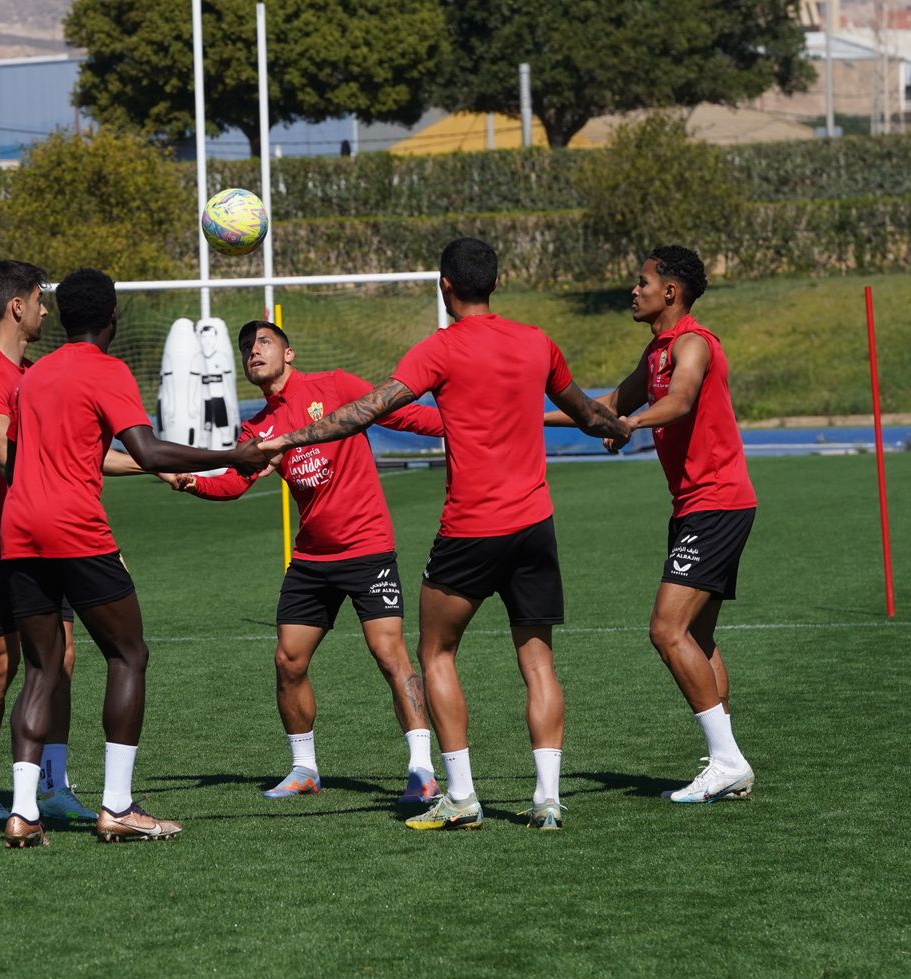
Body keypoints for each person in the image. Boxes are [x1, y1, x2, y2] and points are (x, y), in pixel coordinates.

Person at [258, 237, 630, 832]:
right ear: (497, 283)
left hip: (471, 530)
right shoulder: (538, 342)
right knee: (538, 662)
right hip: (535, 527)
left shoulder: (439, 349)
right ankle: (548, 801)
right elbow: (587, 414)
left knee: (436, 652)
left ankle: (461, 795)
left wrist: (291, 438)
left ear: (444, 285)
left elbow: (368, 409)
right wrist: (618, 427)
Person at [0, 268, 265, 848]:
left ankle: (22, 812)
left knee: (41, 670)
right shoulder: (108, 369)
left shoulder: (33, 375)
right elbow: (143, 448)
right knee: (128, 655)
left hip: (18, 529)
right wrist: (229, 456)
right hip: (75, 530)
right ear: (112, 319)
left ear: (64, 317)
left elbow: (16, 461)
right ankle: (117, 806)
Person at [166, 320, 446, 805]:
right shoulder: (258, 426)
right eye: (246, 347)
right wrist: (192, 482)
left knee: (389, 654)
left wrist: (462, 423)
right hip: (312, 558)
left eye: (263, 343)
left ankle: (422, 771)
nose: (253, 351)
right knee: (288, 661)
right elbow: (234, 484)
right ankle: (305, 769)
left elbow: (399, 415)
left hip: (366, 548)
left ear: (289, 353)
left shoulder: (334, 385)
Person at [546, 245, 757, 803]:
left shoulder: (692, 344)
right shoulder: (656, 352)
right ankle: (726, 761)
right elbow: (604, 405)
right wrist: (520, 414)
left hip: (717, 504)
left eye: (642, 282)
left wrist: (632, 422)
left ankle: (728, 760)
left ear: (671, 291)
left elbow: (682, 400)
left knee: (666, 630)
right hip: (698, 506)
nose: (632, 290)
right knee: (699, 636)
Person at [0, 259, 93, 823]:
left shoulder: (32, 375)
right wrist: (56, 479)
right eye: (38, 299)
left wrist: (156, 466)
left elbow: (75, 450)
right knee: (1, 665)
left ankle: (54, 784)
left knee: (61, 658)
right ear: (16, 306)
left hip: (39, 538)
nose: (44, 309)